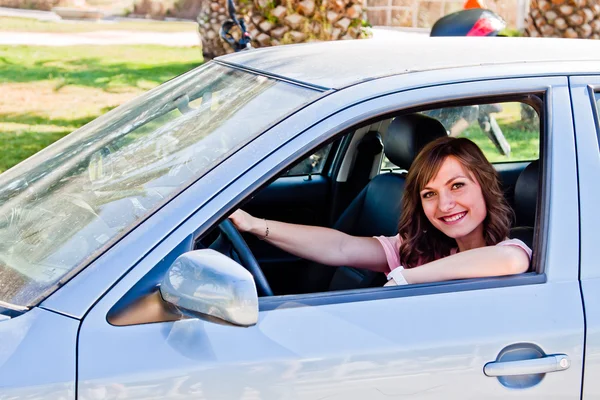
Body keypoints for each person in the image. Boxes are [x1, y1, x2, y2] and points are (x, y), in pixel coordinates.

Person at [229, 136, 531, 288]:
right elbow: (341, 247)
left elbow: (510, 260)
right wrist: (256, 225)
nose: (444, 205)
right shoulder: (419, 249)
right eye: (430, 194)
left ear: (484, 183)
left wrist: (405, 279)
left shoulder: (511, 246)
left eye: (457, 186)